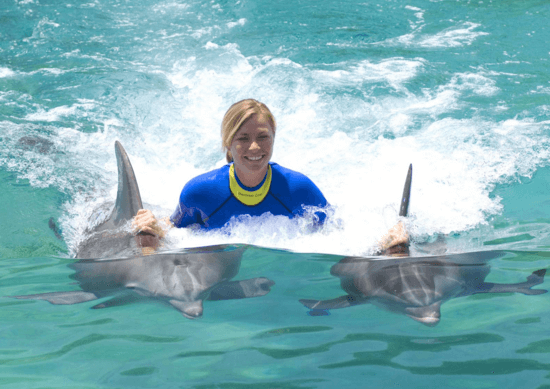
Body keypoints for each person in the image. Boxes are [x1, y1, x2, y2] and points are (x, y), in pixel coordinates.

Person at [133, 99, 329, 237]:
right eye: (243, 138)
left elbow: (335, 236)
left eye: (263, 137)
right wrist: (152, 227)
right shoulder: (199, 192)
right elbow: (172, 232)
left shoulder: (299, 189)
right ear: (228, 143)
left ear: (274, 137)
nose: (254, 147)